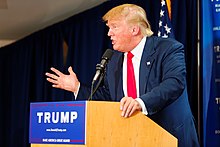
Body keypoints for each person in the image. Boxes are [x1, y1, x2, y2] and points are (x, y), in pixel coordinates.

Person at [45, 4, 199, 147]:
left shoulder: (167, 48)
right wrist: (77, 87)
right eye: (109, 27)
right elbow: (107, 98)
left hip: (171, 136)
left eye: (114, 27)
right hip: (132, 138)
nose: (109, 33)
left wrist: (140, 103)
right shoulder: (113, 61)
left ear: (134, 29)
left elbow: (174, 83)